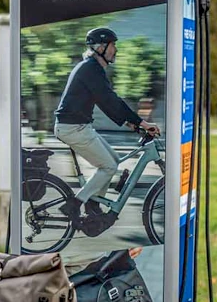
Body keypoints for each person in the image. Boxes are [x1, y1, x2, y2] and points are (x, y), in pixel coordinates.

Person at [53, 27, 160, 220]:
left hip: (79, 126)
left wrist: (131, 124)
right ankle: (76, 204)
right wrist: (142, 123)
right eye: (113, 45)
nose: (115, 50)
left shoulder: (92, 68)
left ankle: (93, 204)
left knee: (113, 160)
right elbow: (111, 100)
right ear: (101, 47)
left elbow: (104, 102)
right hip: (73, 128)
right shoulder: (90, 69)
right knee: (109, 166)